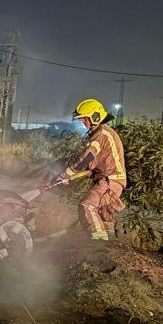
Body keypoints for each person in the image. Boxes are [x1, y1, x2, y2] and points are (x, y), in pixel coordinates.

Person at [53, 98, 127, 241]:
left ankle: (98, 244)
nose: (83, 122)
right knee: (103, 215)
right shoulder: (104, 132)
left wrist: (65, 174)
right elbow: (93, 167)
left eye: (85, 119)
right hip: (111, 180)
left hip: (109, 181)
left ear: (95, 116)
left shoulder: (101, 135)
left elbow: (87, 158)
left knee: (87, 206)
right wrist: (72, 177)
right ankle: (110, 247)